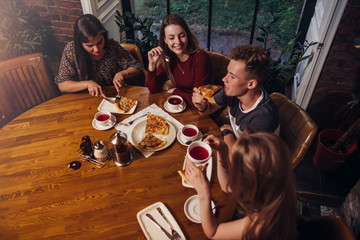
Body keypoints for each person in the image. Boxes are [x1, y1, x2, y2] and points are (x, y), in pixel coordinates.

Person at [185, 130, 298, 240]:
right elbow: (227, 187)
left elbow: (213, 233)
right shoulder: (277, 191)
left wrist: (203, 193)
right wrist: (223, 152)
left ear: (250, 187)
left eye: (234, 169)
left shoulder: (262, 224)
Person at [192, 45, 279, 150]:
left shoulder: (263, 117)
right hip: (236, 147)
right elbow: (208, 109)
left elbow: (239, 160)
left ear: (251, 84)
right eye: (227, 72)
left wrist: (227, 132)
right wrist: (202, 106)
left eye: (232, 77)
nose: (224, 79)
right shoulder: (232, 91)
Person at [55, 14, 143, 97]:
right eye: (90, 46)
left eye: (100, 42)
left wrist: (122, 74)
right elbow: (63, 84)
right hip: (85, 99)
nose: (97, 49)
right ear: (80, 44)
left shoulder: (112, 46)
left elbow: (137, 67)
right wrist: (87, 84)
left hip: (114, 96)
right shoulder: (71, 50)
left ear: (104, 36)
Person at [147, 14, 211, 106]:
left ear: (187, 35)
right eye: (171, 38)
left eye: (182, 36)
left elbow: (199, 99)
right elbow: (154, 89)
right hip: (181, 105)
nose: (178, 42)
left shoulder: (200, 58)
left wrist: (176, 91)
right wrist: (152, 65)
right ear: (165, 39)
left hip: (200, 109)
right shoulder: (169, 57)